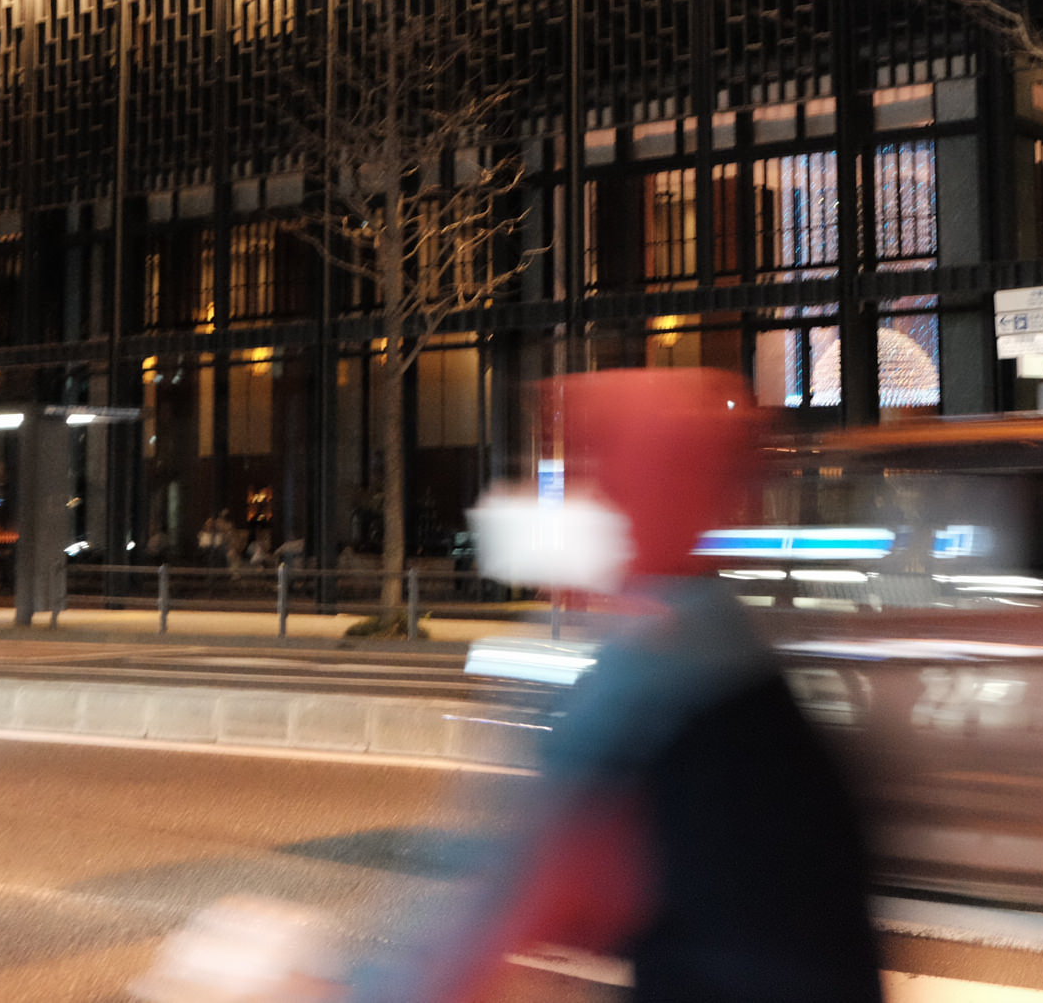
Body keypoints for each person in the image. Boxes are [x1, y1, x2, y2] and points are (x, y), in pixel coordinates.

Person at [347, 368, 884, 1003]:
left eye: (602, 470)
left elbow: (516, 897)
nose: (586, 495)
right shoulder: (736, 658)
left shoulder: (657, 672)